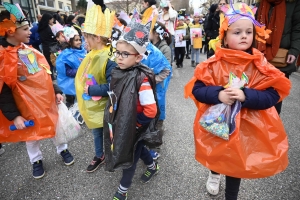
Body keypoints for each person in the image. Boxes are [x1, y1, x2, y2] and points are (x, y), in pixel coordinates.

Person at [184, 3, 291, 200]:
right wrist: (218, 94)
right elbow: (197, 90)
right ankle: (214, 174)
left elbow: (273, 95)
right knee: (218, 155)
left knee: (235, 164)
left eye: (248, 32)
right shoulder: (214, 63)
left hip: (244, 131)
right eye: (237, 32)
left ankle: (231, 196)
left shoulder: (260, 65)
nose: (244, 36)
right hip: (217, 125)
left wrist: (246, 96)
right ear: (224, 35)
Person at [0, 3, 74, 179]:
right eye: (25, 29)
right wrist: (15, 115)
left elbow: (45, 72)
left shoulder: (30, 50)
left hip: (46, 101)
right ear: (11, 31)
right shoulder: (3, 57)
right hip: (24, 106)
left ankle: (62, 149)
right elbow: (3, 90)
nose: (30, 32)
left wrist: (55, 90)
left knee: (55, 127)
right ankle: (36, 160)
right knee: (31, 136)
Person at [103, 20, 160, 200]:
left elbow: (150, 110)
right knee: (138, 148)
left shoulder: (141, 80)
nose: (119, 57)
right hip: (125, 122)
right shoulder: (121, 71)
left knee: (130, 159)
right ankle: (152, 166)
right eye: (118, 52)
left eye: (125, 54)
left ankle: (122, 189)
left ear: (138, 57)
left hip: (135, 126)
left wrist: (135, 125)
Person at [74, 0, 117, 173]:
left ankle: (110, 155)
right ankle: (100, 155)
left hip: (106, 106)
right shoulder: (93, 52)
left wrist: (91, 89)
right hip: (93, 104)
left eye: (87, 37)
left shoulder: (110, 57)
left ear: (97, 37)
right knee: (97, 132)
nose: (85, 40)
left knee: (107, 133)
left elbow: (113, 85)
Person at [256, 0, 300, 115]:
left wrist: (294, 51)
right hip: (259, 55)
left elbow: (297, 29)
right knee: (256, 94)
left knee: (275, 98)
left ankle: (271, 128)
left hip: (281, 58)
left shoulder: (294, 3)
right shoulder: (261, 3)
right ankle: (257, 128)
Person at [56, 27, 86, 108]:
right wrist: (81, 70)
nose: (79, 42)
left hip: (81, 82)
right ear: (70, 41)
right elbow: (67, 72)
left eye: (80, 39)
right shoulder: (65, 55)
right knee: (71, 103)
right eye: (76, 40)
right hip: (70, 85)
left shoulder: (83, 51)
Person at [38, 13, 57, 80]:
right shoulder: (47, 28)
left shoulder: (41, 27)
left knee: (49, 62)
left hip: (45, 46)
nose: (52, 21)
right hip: (51, 47)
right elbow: (51, 37)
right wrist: (55, 37)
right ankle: (52, 76)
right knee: (52, 62)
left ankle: (51, 76)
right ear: (48, 20)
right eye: (51, 19)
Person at [159, 0, 178, 65]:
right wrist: (159, 8)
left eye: (164, 8)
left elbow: (172, 17)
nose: (163, 9)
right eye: (163, 8)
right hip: (162, 35)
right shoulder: (162, 14)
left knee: (169, 51)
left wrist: (169, 6)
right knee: (161, 50)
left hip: (170, 35)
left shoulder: (173, 12)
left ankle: (169, 66)